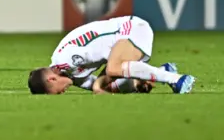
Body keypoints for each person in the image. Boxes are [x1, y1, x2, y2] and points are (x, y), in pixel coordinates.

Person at [27, 15, 196, 94]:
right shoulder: (72, 76)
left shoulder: (66, 59)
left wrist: (99, 86)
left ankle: (178, 80)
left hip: (131, 29)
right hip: (123, 45)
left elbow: (110, 65)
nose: (62, 93)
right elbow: (104, 85)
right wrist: (105, 88)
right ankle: (161, 72)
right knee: (114, 84)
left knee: (113, 69)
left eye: (57, 92)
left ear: (52, 79)